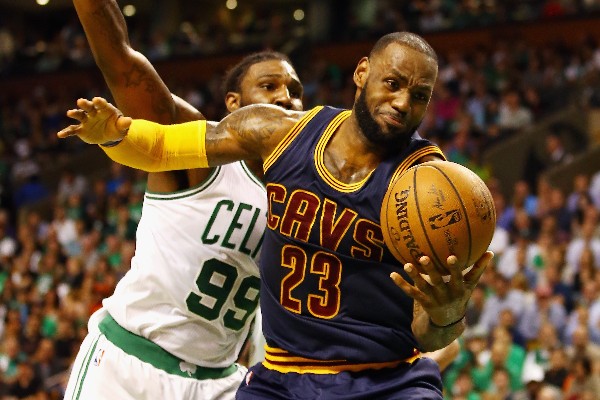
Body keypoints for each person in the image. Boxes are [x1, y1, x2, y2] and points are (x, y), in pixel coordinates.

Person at [59, 31, 493, 399]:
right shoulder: (282, 133)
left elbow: (431, 335)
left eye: (419, 96)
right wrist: (114, 135)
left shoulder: (428, 194)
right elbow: (166, 147)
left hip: (384, 379)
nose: (401, 103)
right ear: (362, 72)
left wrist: (447, 313)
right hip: (283, 378)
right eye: (392, 84)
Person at [64, 0, 303, 399]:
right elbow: (121, 61)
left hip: (217, 381)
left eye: (295, 91)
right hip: (127, 367)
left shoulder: (307, 194)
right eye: (269, 86)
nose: (285, 98)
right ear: (234, 104)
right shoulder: (197, 153)